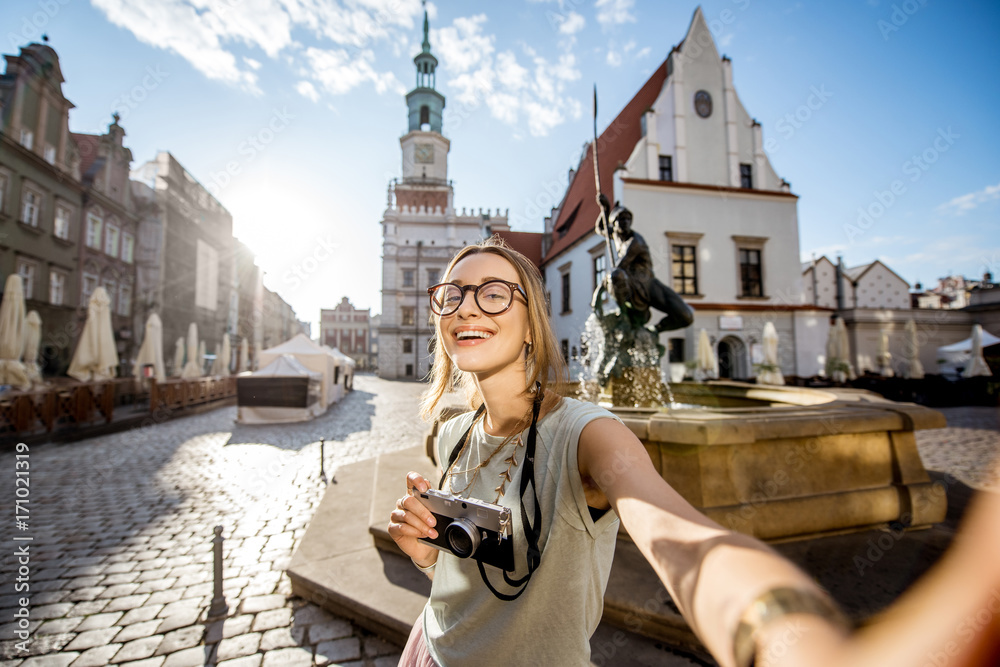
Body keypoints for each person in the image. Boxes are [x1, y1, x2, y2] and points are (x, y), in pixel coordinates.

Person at [388, 236, 1000, 667]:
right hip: (431, 650)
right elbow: (463, 577)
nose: (466, 307)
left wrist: (785, 635)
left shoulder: (585, 434)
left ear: (534, 322)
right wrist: (425, 556)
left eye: (494, 293)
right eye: (452, 294)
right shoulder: (452, 432)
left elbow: (676, 531)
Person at [592, 194, 693, 332]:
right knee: (616, 276)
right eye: (621, 219)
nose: (625, 222)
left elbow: (619, 267)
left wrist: (599, 292)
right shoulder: (616, 235)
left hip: (647, 283)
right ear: (614, 224)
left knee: (686, 316)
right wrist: (605, 209)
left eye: (628, 219)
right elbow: (600, 229)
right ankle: (623, 314)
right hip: (631, 283)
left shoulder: (635, 242)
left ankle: (655, 330)